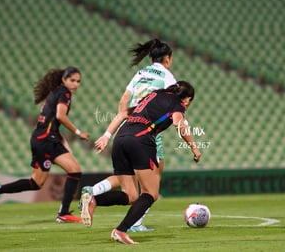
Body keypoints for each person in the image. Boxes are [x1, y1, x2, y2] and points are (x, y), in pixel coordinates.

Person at [82, 81, 201, 244]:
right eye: (189, 102)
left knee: (131, 195)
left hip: (120, 138)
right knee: (151, 193)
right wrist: (194, 147)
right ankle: (120, 231)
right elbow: (178, 124)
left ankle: (94, 200)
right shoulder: (177, 103)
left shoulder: (153, 95)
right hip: (140, 140)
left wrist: (106, 135)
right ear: (187, 99)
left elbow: (124, 113)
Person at [80, 39, 176, 231]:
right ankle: (136, 223)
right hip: (148, 131)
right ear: (168, 58)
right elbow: (175, 108)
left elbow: (123, 101)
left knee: (129, 187)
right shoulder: (168, 78)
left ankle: (94, 194)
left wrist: (110, 131)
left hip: (126, 128)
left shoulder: (140, 73)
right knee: (153, 182)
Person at [0, 67, 90, 223]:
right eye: (72, 80)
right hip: (45, 140)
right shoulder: (64, 93)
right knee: (37, 182)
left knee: (74, 171)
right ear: (64, 80)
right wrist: (79, 132)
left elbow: (53, 123)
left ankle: (63, 213)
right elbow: (60, 116)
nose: (76, 84)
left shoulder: (55, 93)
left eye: (78, 81)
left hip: (47, 138)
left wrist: (65, 146)